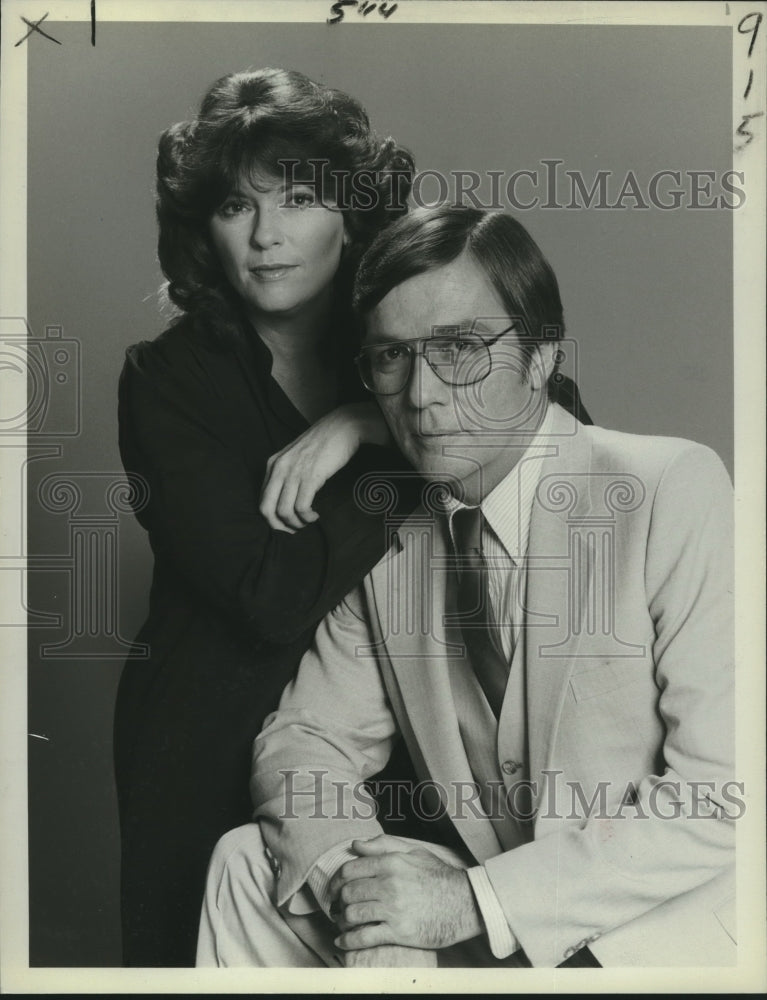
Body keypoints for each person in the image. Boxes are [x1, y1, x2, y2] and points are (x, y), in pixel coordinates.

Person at [197, 206, 736, 969]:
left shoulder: (667, 489)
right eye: (391, 356)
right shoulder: (391, 538)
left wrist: (467, 903)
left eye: (458, 348)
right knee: (246, 861)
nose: (419, 395)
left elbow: (718, 799)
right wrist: (366, 899)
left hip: (645, 931)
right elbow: (304, 741)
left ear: (541, 357)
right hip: (499, 916)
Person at [114, 66, 424, 967]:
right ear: (202, 231)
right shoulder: (167, 378)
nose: (265, 236)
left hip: (381, 730)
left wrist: (366, 418)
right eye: (234, 209)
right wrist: (406, 449)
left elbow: (550, 411)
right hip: (207, 735)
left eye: (296, 199)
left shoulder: (403, 330)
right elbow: (266, 595)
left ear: (351, 212)